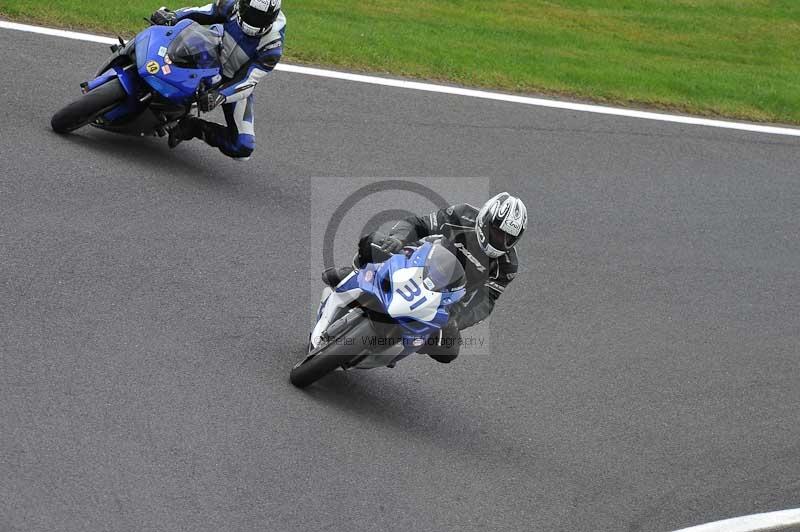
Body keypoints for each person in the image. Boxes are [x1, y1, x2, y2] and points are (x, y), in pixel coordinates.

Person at [322, 192, 528, 363]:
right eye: (496, 230)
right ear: (486, 219)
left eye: (508, 237)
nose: (501, 239)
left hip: (447, 302)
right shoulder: (462, 215)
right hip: (419, 265)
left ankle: (392, 349)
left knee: (449, 351)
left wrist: (457, 321)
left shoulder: (507, 265)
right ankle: (352, 275)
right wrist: (398, 240)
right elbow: (420, 224)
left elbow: (485, 302)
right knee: (373, 243)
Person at [149, 0, 285, 160]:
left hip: (232, 82)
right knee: (168, 41)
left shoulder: (272, 45)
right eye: (250, 13)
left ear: (272, 17)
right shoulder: (232, 5)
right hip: (209, 51)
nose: (252, 20)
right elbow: (203, 12)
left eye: (259, 18)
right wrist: (174, 16)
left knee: (243, 147)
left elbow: (248, 80)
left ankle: (193, 127)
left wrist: (221, 95)